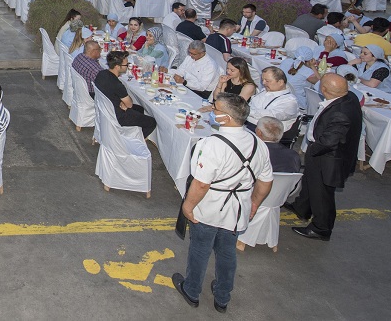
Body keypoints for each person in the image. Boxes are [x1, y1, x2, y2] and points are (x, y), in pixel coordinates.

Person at [172, 94, 273, 313]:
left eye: (215, 109)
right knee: (227, 252)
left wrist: (187, 206)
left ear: (226, 118)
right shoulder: (259, 144)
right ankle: (222, 296)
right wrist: (254, 203)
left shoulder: (211, 144)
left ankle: (191, 290)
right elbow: (266, 181)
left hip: (209, 206)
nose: (212, 111)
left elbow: (201, 184)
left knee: (200, 249)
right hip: (238, 209)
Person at [286, 73, 363, 241]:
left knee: (322, 194)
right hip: (324, 155)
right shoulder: (349, 97)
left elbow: (328, 142)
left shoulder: (340, 113)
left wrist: (312, 149)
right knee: (310, 183)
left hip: (327, 159)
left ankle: (321, 228)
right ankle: (302, 207)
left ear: (324, 89)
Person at [92, 51, 157, 137]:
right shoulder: (117, 84)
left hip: (106, 109)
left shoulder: (101, 73)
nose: (127, 66)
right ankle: (135, 141)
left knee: (140, 109)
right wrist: (123, 103)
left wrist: (122, 102)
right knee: (152, 122)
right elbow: (129, 105)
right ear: (117, 67)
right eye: (126, 65)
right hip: (117, 116)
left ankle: (135, 133)